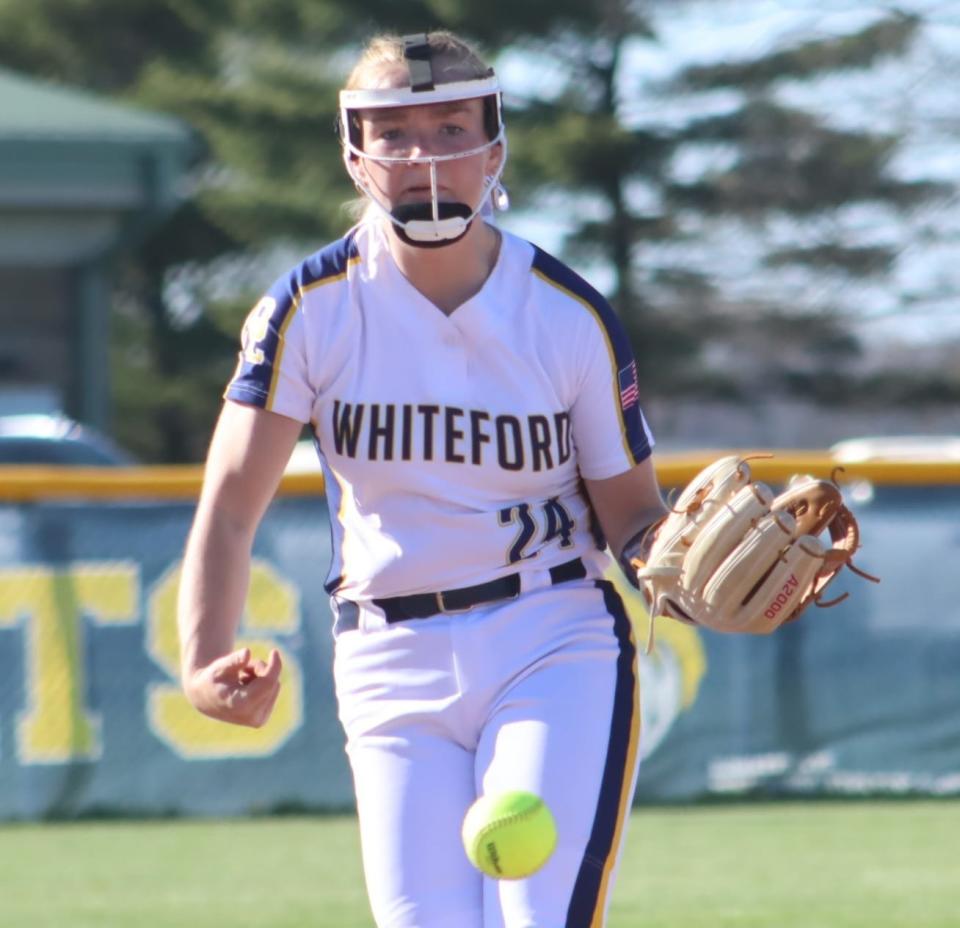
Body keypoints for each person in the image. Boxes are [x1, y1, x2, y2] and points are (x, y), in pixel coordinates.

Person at [178, 29, 668, 928]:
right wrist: (204, 657)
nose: (423, 156)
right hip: (386, 653)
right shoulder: (310, 307)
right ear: (355, 151)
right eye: (395, 132)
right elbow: (231, 504)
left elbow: (633, 517)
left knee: (539, 915)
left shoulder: (566, 316)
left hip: (548, 635)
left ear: (493, 147)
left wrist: (687, 574)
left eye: (449, 128)